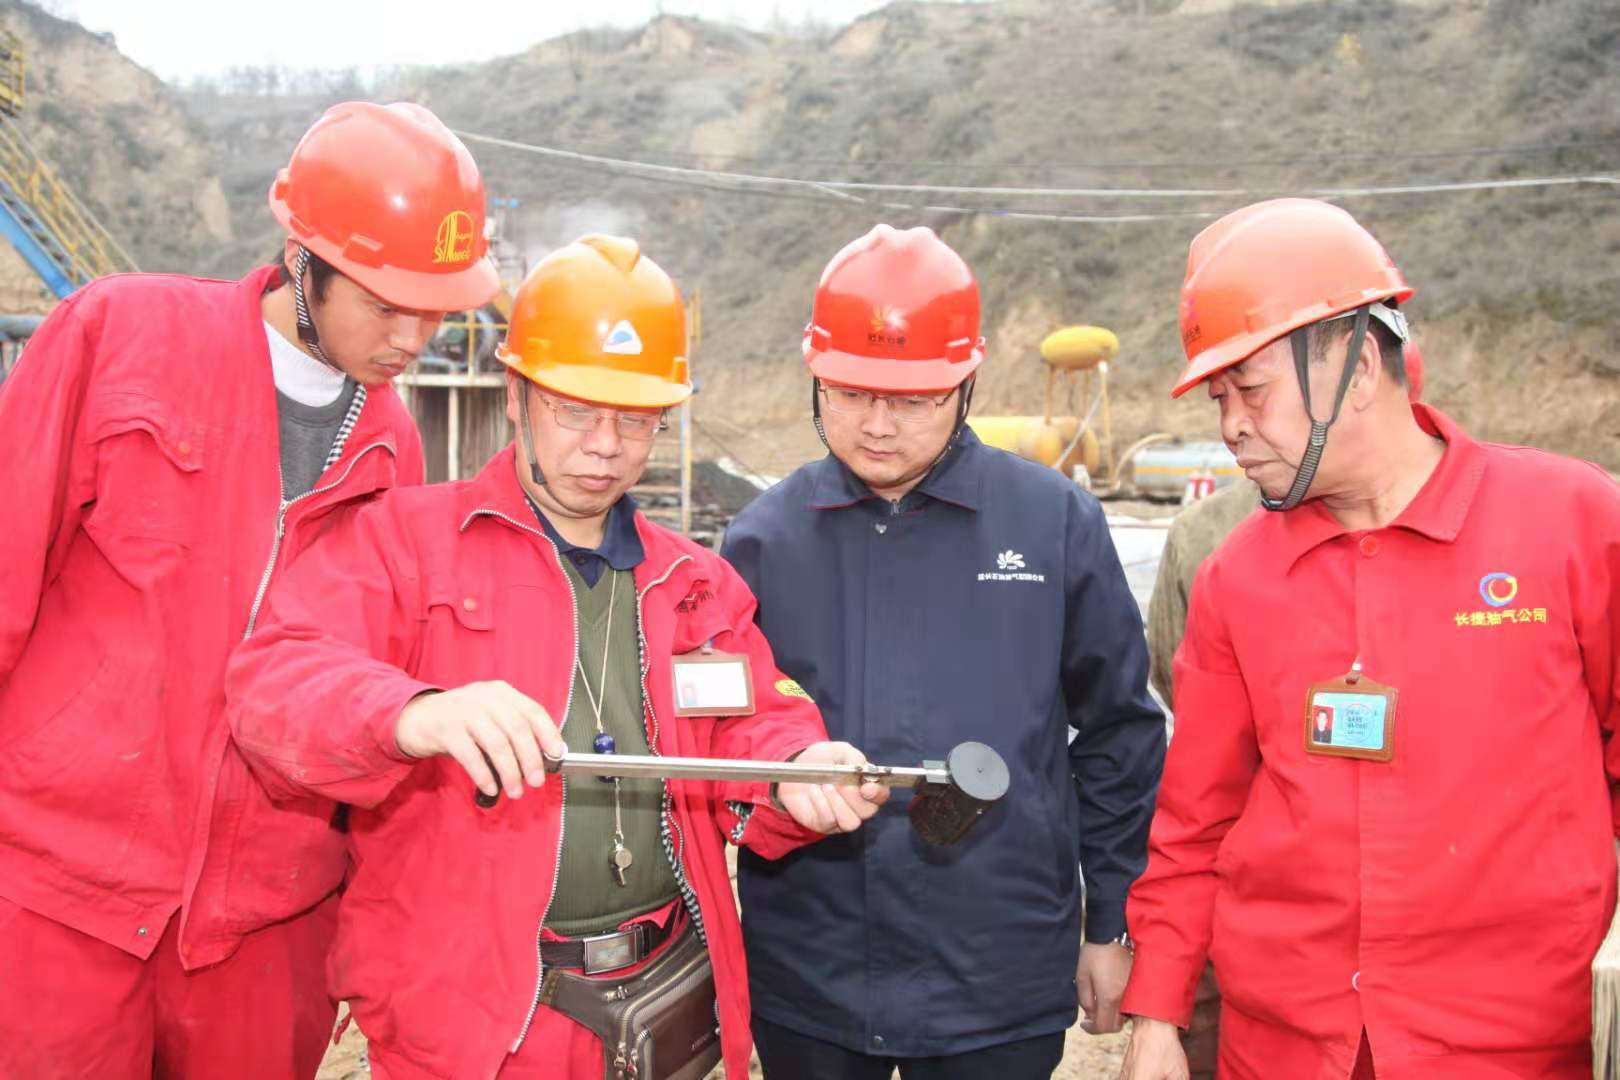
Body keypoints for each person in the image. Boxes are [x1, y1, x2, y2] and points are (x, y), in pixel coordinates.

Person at [226, 234, 887, 1080]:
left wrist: (800, 770)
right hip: (474, 1017)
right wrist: (411, 713)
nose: (606, 445)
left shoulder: (695, 583)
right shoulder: (403, 543)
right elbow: (276, 683)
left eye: (635, 419)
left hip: (663, 999)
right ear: (517, 395)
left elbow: (746, 728)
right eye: (575, 411)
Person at [0, 100, 498, 1077]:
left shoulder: (393, 449)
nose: (412, 336)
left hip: (268, 921)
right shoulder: (122, 335)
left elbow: (365, 692)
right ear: (304, 260)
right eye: (385, 303)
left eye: (436, 309)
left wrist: (358, 922)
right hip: (62, 889)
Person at [1118, 198, 1620, 1080]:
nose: (1230, 426)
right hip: (1285, 1046)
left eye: (1252, 390)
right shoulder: (1238, 577)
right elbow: (1196, 823)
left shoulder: (1574, 524)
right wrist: (1157, 1015)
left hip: (1513, 1046)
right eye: (1219, 398)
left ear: (1354, 367)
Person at [721, 224, 1166, 1079]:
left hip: (996, 973)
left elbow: (1119, 733)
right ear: (815, 376)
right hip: (813, 973)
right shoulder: (763, 541)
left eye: (914, 400)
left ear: (966, 385)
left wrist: (1111, 920)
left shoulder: (1052, 523)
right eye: (851, 393)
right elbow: (724, 739)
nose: (877, 426)